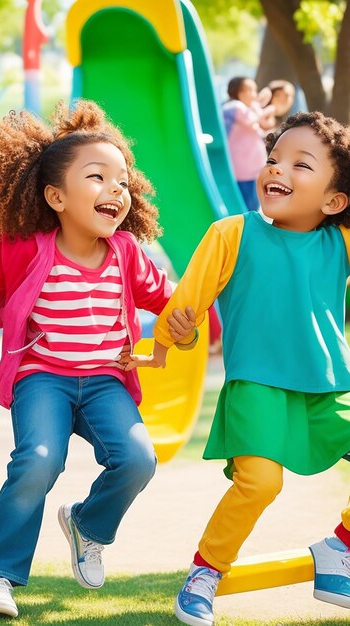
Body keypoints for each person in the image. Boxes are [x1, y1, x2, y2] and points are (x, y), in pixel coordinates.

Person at [0, 100, 197, 618]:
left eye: (123, 181)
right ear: (56, 196)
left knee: (137, 460)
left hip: (106, 382)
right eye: (98, 177)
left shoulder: (127, 252)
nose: (116, 189)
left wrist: (194, 325)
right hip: (44, 380)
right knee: (39, 461)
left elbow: (171, 301)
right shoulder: (26, 249)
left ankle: (88, 525)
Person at [135, 111, 350, 625]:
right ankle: (205, 572)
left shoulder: (339, 242)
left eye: (302, 164)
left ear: (334, 201)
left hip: (329, 385)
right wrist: (174, 335)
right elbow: (186, 308)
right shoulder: (233, 234)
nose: (277, 169)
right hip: (256, 384)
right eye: (274, 158)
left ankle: (340, 547)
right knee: (260, 484)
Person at [222, 77, 274, 212]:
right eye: (249, 90)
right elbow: (252, 120)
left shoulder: (245, 108)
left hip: (252, 169)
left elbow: (259, 128)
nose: (253, 94)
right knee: (246, 207)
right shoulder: (234, 106)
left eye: (254, 90)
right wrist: (268, 109)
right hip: (243, 170)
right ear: (237, 92)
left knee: (252, 205)